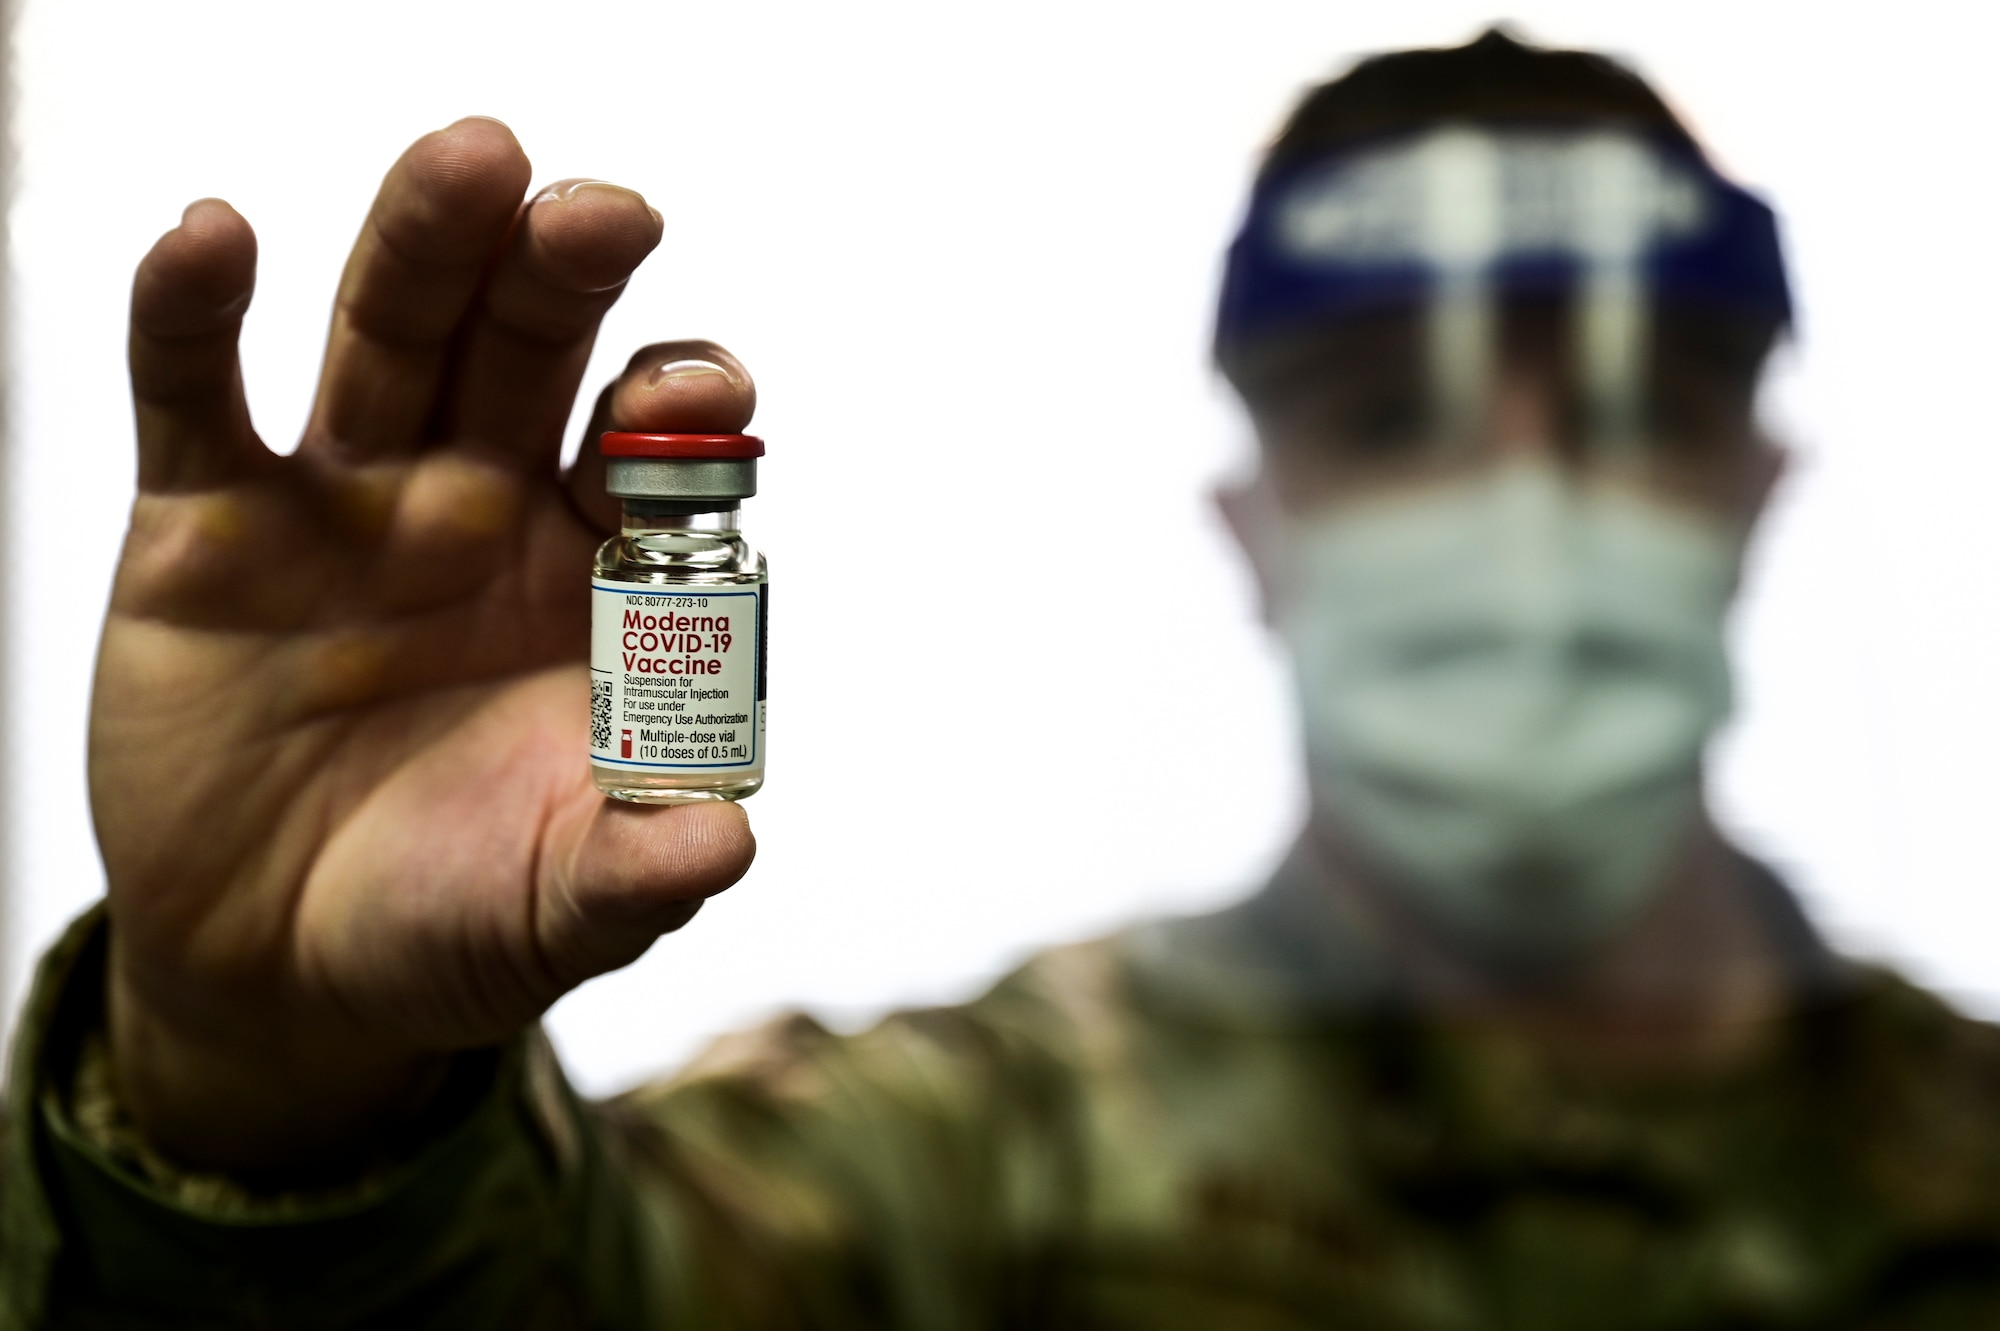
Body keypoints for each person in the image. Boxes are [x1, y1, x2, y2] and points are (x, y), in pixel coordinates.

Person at [5, 27, 2000, 1329]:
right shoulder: (972, 1165)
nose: (1517, 502)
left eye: (1628, 404)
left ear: (1753, 486)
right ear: (1261, 532)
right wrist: (261, 1079)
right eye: (1395, 415)